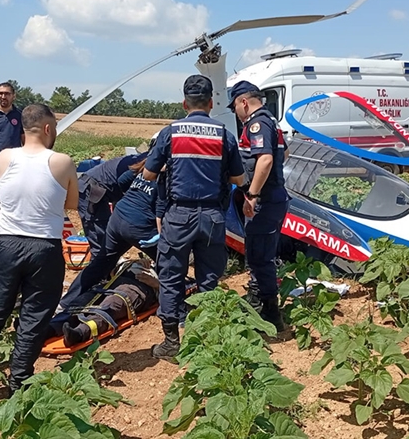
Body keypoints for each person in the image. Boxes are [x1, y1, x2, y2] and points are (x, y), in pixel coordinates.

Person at [0, 103, 78, 393]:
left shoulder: (4, 157)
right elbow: (72, 204)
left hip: (6, 245)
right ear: (49, 129)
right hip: (44, 248)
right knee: (33, 318)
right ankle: (19, 382)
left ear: (23, 128)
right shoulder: (62, 162)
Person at [142, 75, 245, 361]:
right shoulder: (224, 134)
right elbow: (238, 177)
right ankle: (208, 340)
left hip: (178, 216)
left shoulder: (170, 133)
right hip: (212, 216)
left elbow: (149, 174)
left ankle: (172, 343)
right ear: (212, 103)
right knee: (209, 278)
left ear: (184, 102)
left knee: (171, 276)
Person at [59, 144, 158, 310]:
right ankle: (87, 295)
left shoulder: (148, 159)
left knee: (104, 258)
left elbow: (125, 184)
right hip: (94, 192)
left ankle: (76, 298)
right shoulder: (151, 163)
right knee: (100, 252)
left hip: (99, 193)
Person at [228, 81, 290, 331]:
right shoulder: (271, 121)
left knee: (258, 256)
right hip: (275, 197)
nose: (235, 112)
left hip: (264, 200)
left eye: (235, 106)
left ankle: (268, 313)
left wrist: (252, 194)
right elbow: (283, 154)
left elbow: (265, 159)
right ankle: (261, 301)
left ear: (243, 102)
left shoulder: (256, 123)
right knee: (262, 253)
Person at [53, 259, 159, 348]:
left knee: (111, 305)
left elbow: (173, 294)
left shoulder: (173, 267)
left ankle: (80, 333)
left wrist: (157, 284)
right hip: (114, 282)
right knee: (83, 301)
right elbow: (112, 270)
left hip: (140, 289)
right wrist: (133, 263)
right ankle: (52, 328)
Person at [76, 151, 146, 261]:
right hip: (92, 190)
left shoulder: (148, 159)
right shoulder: (148, 164)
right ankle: (97, 275)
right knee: (100, 243)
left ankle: (108, 269)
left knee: (111, 238)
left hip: (103, 190)